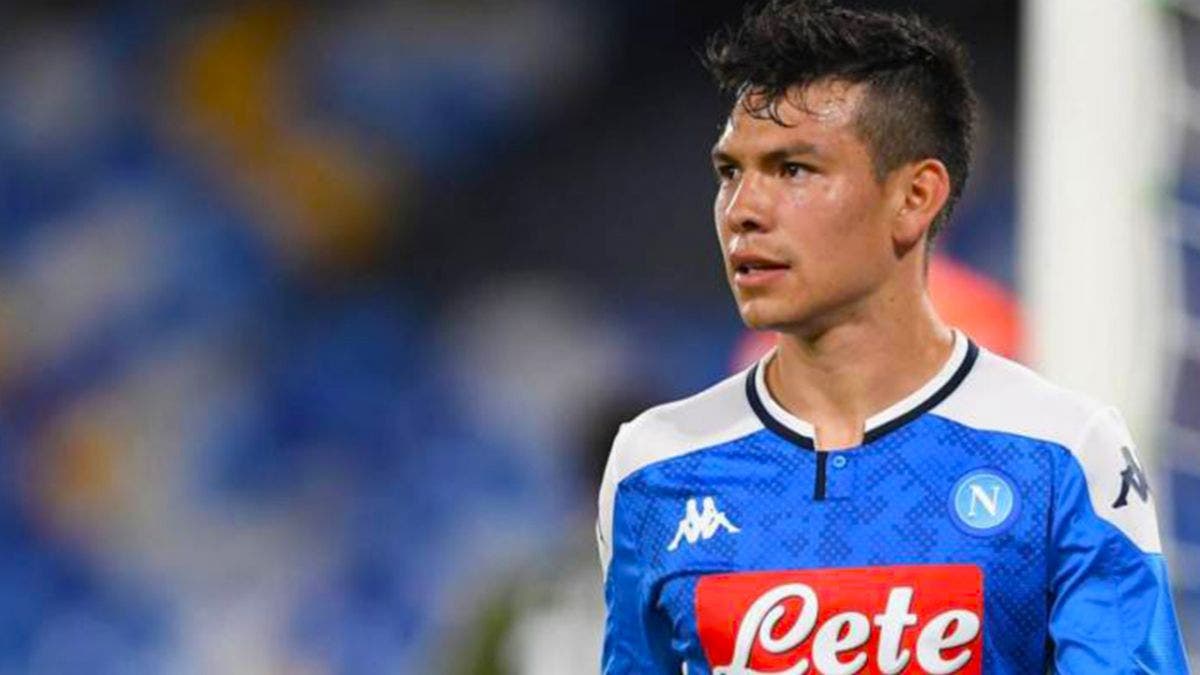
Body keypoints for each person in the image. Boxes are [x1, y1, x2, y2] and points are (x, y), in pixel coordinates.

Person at [596, 1, 1191, 673]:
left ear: (914, 197)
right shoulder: (656, 466)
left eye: (793, 169)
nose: (743, 211)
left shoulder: (1064, 455)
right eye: (730, 172)